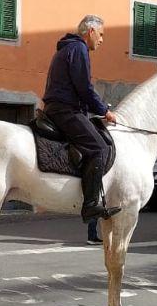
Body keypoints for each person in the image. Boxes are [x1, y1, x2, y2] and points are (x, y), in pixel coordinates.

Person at [42, 15, 120, 223]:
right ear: (90, 31)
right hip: (65, 110)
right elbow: (84, 88)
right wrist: (104, 110)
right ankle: (91, 204)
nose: (102, 40)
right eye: (101, 34)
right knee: (99, 148)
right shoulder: (79, 49)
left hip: (57, 107)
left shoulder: (66, 48)